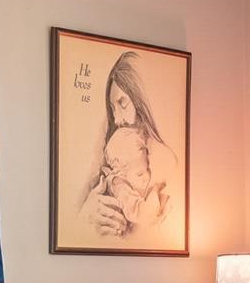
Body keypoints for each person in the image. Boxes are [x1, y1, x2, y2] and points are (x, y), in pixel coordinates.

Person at [76, 52, 179, 240]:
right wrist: (85, 217)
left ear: (144, 100)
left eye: (122, 103)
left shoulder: (170, 172)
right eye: (113, 108)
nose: (117, 119)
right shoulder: (116, 171)